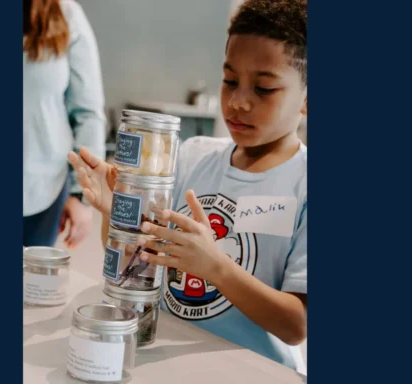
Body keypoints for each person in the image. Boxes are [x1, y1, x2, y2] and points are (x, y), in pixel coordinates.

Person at [68, 0, 307, 374]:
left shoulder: (305, 184)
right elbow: (137, 265)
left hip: (253, 371)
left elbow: (296, 326)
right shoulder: (193, 156)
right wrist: (116, 211)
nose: (238, 101)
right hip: (167, 362)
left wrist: (217, 268)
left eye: (263, 89)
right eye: (229, 81)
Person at [23, 0, 106, 248]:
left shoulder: (66, 14)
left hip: (42, 188)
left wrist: (82, 194)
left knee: (29, 285)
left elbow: (88, 113)